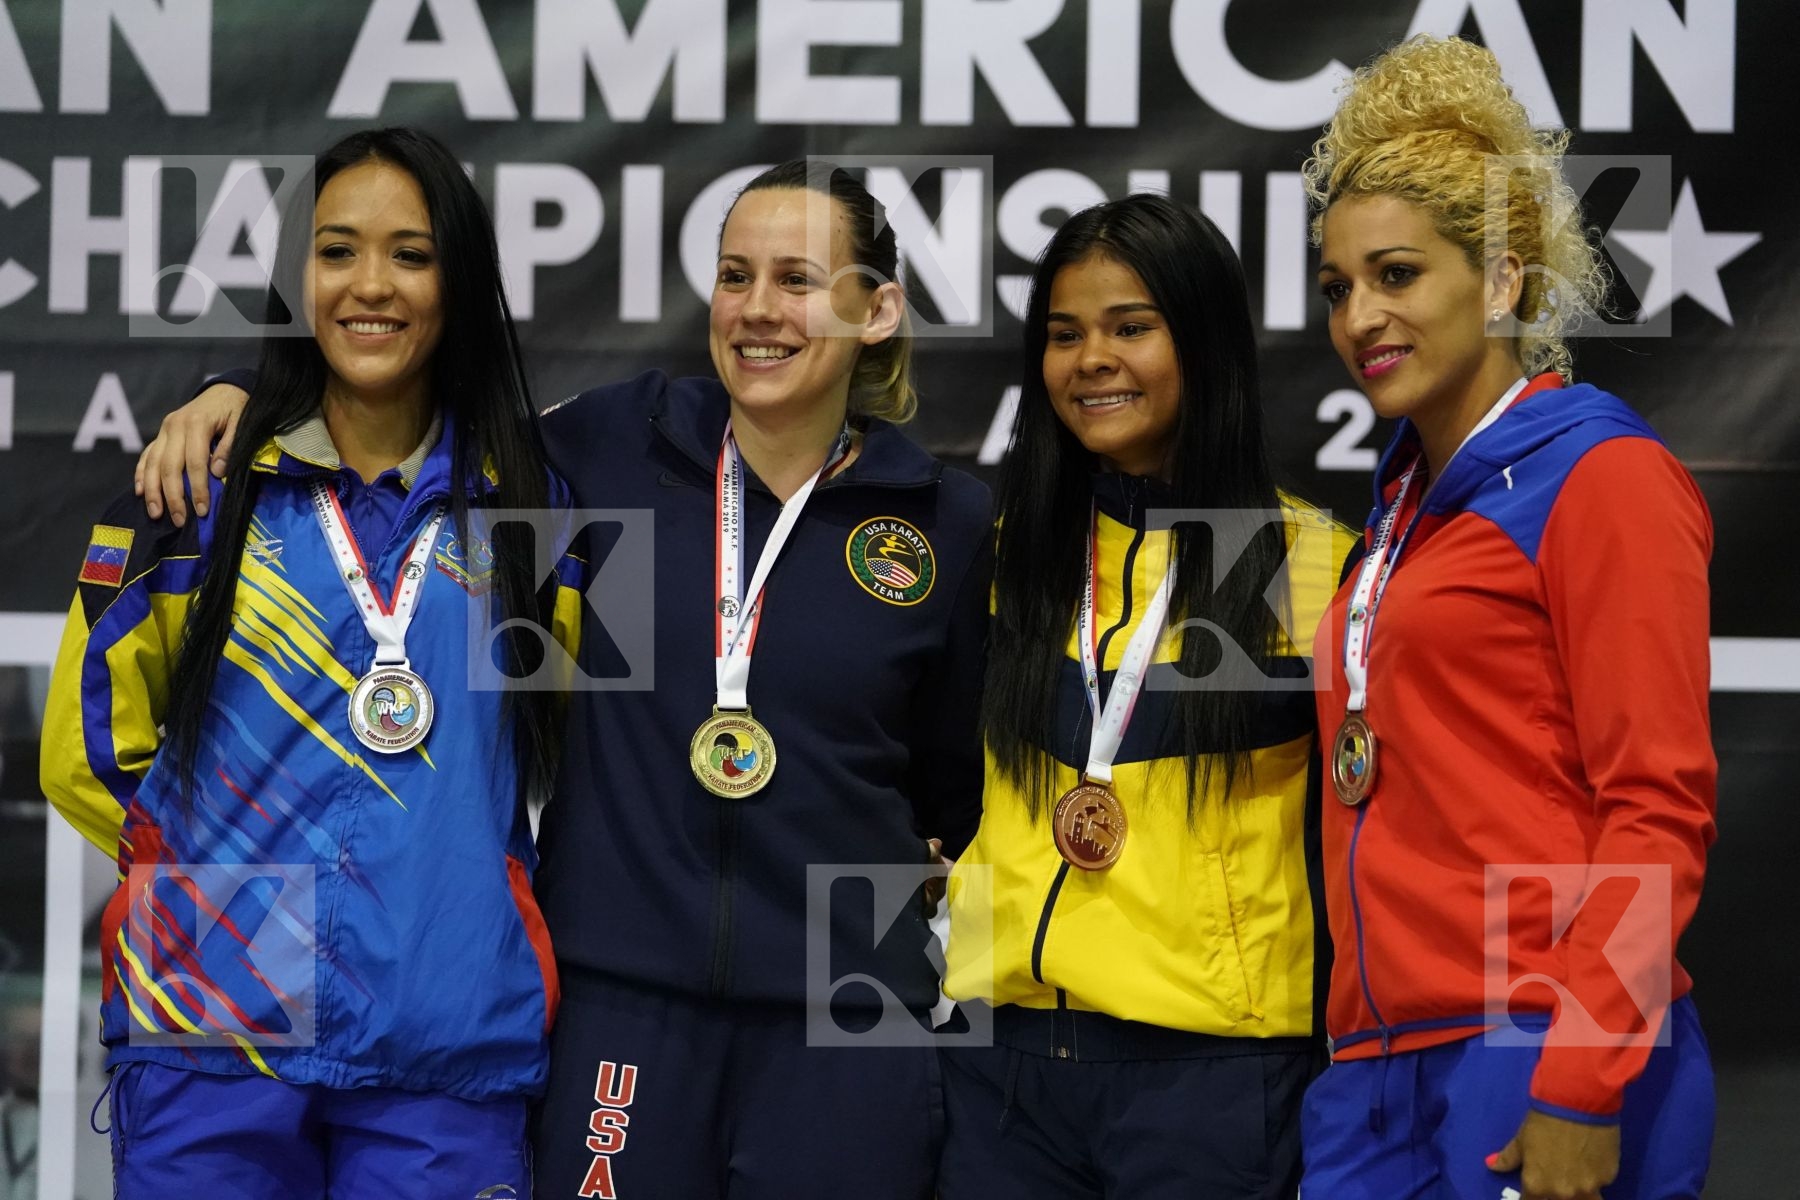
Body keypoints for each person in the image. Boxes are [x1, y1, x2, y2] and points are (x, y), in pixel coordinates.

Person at [135, 158, 993, 1200]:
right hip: (626, 990)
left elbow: (958, 785)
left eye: (798, 280)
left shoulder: (947, 524)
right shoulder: (607, 453)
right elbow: (392, 407)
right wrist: (239, 386)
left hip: (847, 1001)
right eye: (734, 275)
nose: (759, 309)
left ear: (879, 308)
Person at [39, 127, 578, 1195]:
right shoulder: (190, 502)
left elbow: (600, 751)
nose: (370, 285)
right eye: (337, 251)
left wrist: (460, 889)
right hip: (211, 1039)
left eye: (412, 255)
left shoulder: (539, 512)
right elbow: (84, 746)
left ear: (458, 279)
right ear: (296, 277)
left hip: (447, 1038)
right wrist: (213, 887)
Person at [1300, 34, 1717, 1200]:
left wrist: (1580, 1076)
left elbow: (1657, 810)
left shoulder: (1602, 476)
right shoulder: (1398, 509)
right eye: (1338, 288)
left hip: (1537, 1045)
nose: (1360, 317)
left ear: (1501, 279)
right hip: (1373, 1064)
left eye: (1397, 274)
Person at [936, 193, 1356, 1198]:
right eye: (1064, 334)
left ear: (1205, 344)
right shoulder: (1002, 559)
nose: (1092, 360)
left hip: (1213, 1078)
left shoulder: (1314, 566)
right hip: (1002, 1074)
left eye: (1131, 327)